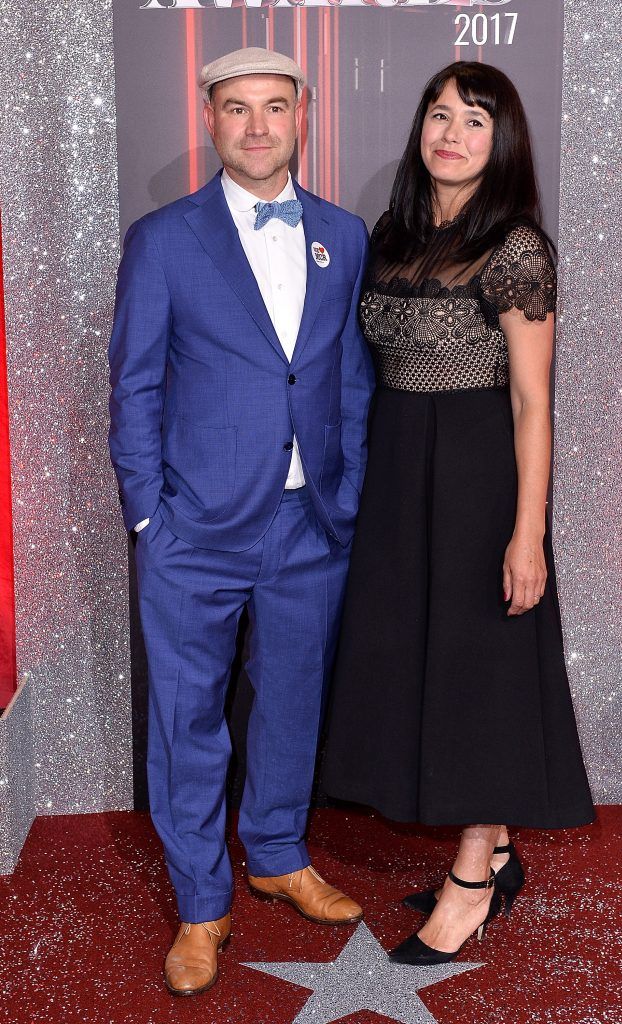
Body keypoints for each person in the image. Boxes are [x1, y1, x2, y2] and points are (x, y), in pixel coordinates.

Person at [108, 47, 374, 997]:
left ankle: (276, 852)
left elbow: (346, 378)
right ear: (210, 121)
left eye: (274, 108)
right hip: (194, 532)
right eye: (236, 109)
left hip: (311, 524)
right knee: (188, 721)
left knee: (294, 702)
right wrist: (150, 520)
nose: (257, 127)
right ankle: (199, 903)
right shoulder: (165, 238)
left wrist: (345, 500)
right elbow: (134, 385)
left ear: (301, 117)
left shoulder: (343, 237)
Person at [322, 61, 595, 966]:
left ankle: (472, 877)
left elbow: (531, 402)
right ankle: (503, 846)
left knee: (480, 675)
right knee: (420, 666)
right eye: (440, 115)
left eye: (475, 121)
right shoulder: (391, 234)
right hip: (402, 476)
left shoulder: (517, 249)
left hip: (481, 480)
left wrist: (527, 532)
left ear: (501, 141)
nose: (452, 134)